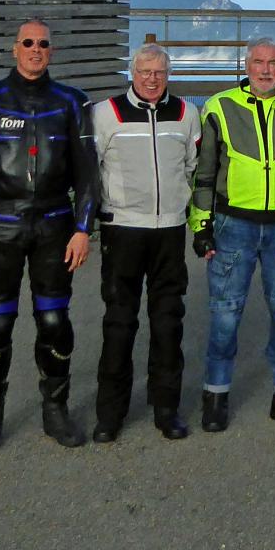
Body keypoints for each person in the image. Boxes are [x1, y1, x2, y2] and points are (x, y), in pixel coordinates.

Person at [0, 18, 98, 455]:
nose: (35, 50)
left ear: (52, 51)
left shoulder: (72, 101)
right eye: (28, 42)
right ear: (15, 49)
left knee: (54, 321)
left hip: (55, 224)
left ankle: (55, 410)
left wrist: (83, 229)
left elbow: (89, 173)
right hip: (0, 225)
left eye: (43, 44)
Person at [188, 37, 275, 432]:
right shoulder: (219, 107)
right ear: (246, 65)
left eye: (272, 63)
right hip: (233, 226)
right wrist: (201, 226)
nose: (265, 70)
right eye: (258, 62)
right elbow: (204, 173)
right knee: (225, 314)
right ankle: (215, 395)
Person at [90, 43, 200, 443]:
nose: (152, 79)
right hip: (123, 230)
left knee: (168, 322)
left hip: (169, 229)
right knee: (119, 324)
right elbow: (91, 169)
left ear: (168, 74)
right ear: (132, 73)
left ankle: (166, 408)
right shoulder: (105, 113)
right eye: (145, 72)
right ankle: (110, 414)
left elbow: (192, 166)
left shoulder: (187, 113)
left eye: (159, 72)